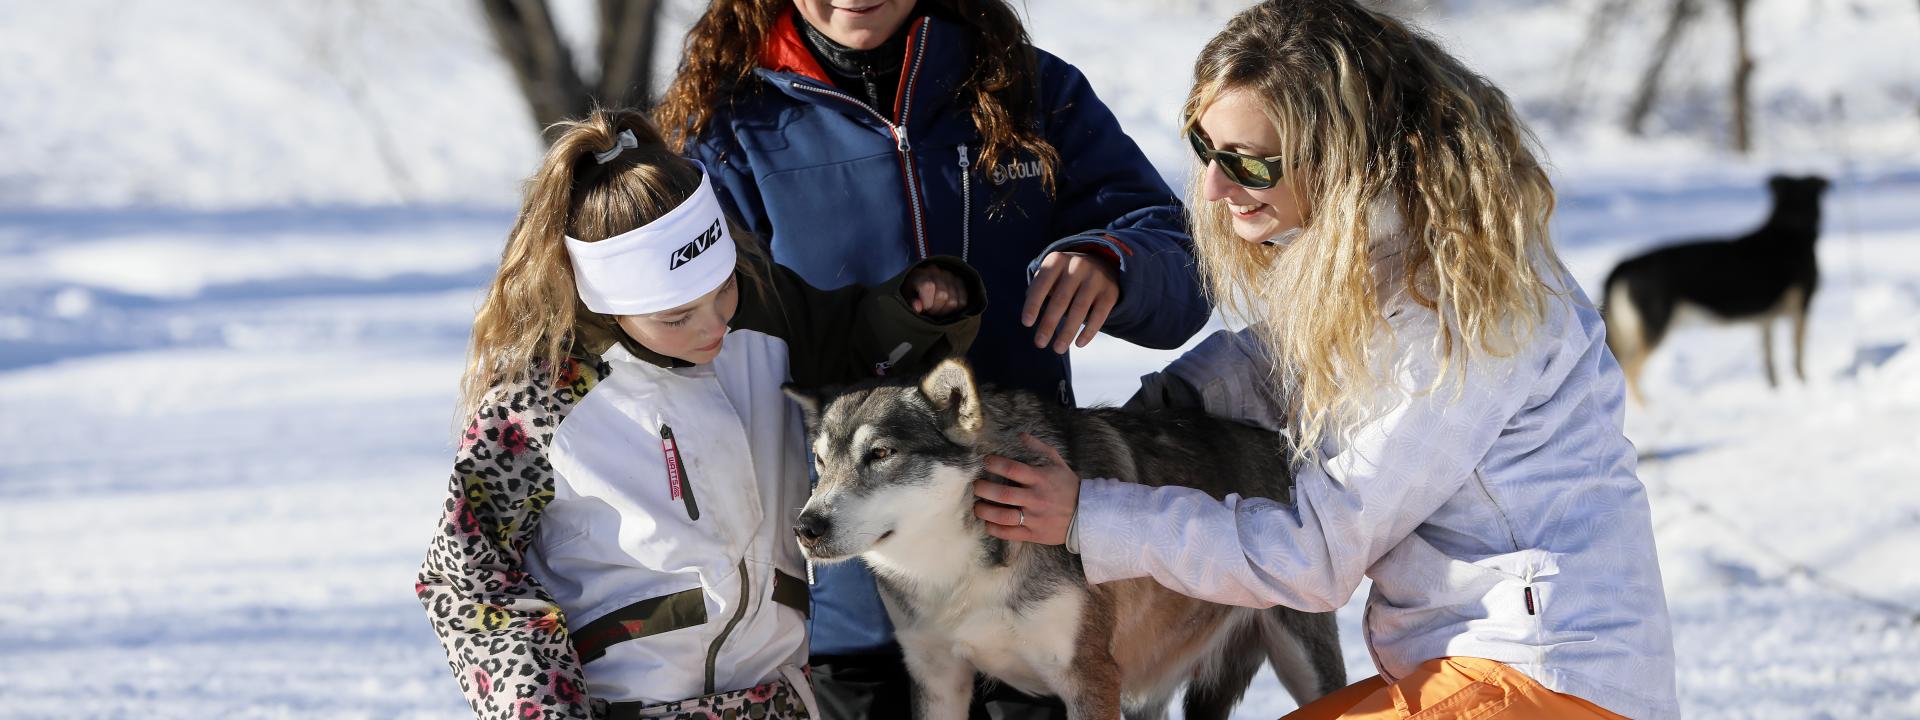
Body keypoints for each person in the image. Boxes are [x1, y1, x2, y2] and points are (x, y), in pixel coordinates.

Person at [973, 2, 1682, 719]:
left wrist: (1089, 515)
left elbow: (1313, 557)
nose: (1215, 188)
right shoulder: (1391, 264)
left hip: (1545, 675)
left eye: (1250, 161)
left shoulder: (1459, 314)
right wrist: (1152, 419)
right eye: (1204, 148)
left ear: (1343, 158)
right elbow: (1274, 363)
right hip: (1474, 665)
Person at [653, 2, 1211, 717]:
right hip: (852, 610)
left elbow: (1183, 263)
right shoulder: (728, 130)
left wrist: (1116, 262)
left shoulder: (1024, 91)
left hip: (1035, 570)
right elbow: (684, 344)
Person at [416, 109, 984, 720]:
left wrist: (913, 313)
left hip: (778, 699)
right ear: (607, 304)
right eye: (676, 317)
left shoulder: (765, 311)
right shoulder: (542, 402)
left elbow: (855, 344)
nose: (715, 324)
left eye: (722, 291)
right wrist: (540, 705)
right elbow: (465, 579)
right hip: (628, 704)